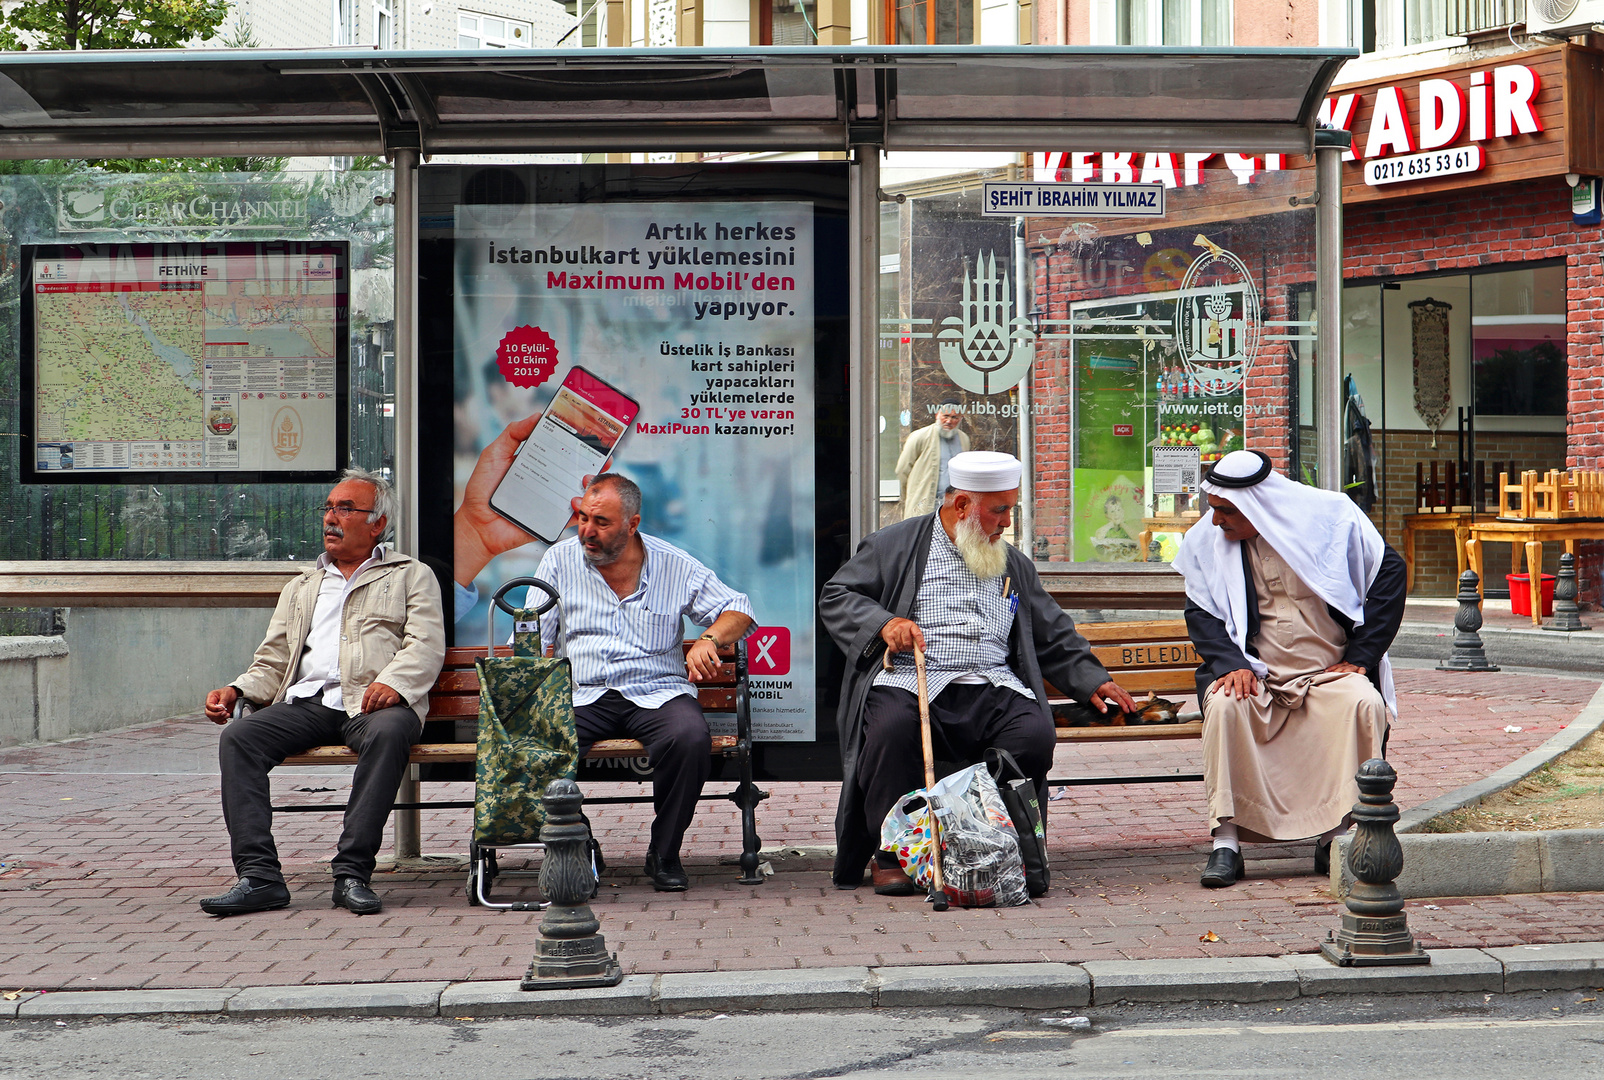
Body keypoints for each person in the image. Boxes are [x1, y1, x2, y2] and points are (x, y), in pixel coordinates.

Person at [819, 450, 1137, 893]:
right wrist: (884, 623)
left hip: (992, 682)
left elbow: (1051, 631)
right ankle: (894, 853)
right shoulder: (894, 544)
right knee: (890, 730)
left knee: (1033, 736)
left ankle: (995, 844)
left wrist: (1092, 680)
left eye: (1011, 508)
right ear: (962, 505)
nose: (1007, 521)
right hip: (914, 679)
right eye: (999, 509)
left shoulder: (1014, 564)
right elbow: (837, 596)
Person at [199, 468, 446, 916]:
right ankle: (259, 877)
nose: (331, 518)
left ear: (378, 524)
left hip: (372, 704)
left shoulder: (410, 575)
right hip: (308, 704)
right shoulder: (302, 587)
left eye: (346, 508)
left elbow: (426, 644)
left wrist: (395, 682)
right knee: (240, 738)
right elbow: (273, 660)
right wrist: (237, 690)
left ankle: (352, 872)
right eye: (329, 508)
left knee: (390, 733)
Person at [1173, 449, 1404, 889]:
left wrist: (1360, 658)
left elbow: (1389, 573)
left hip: (1327, 673)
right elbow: (1200, 612)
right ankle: (1227, 844)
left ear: (1258, 505)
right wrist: (1231, 663)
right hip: (1256, 674)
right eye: (1213, 508)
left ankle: (1335, 840)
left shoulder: (1332, 518)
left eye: (1224, 510)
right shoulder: (1207, 538)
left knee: (1362, 703)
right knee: (1225, 706)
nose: (1216, 520)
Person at [533, 473, 755, 892]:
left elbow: (737, 609)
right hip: (584, 692)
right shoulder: (559, 561)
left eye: (601, 522)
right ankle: (576, 842)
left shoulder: (672, 563)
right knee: (538, 742)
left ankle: (665, 851)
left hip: (657, 691)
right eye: (583, 518)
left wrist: (708, 639)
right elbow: (531, 638)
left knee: (689, 739)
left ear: (632, 524)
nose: (587, 531)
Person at [896, 399, 970, 520]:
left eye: (954, 417)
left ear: (960, 418)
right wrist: (910, 497)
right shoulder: (920, 437)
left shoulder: (964, 439)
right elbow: (902, 470)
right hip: (925, 506)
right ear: (937, 415)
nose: (949, 421)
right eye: (945, 416)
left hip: (953, 507)